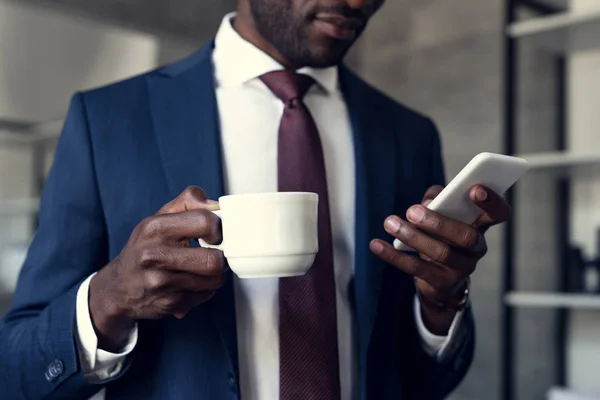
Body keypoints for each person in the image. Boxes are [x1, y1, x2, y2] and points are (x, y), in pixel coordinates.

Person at [0, 0, 511, 399]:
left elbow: (424, 382)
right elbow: (16, 368)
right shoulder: (107, 119)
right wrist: (110, 298)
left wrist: (442, 302)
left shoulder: (407, 134)